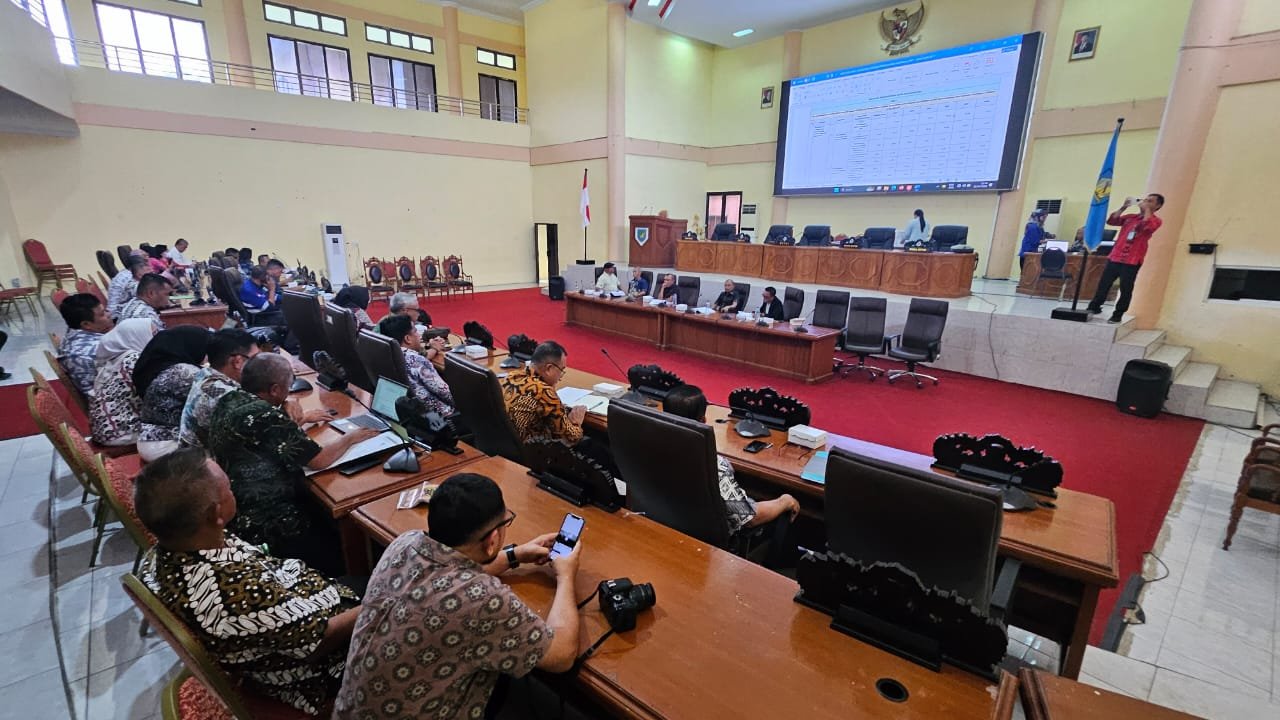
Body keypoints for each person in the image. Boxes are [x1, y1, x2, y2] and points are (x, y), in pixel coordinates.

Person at [333, 472, 583, 719]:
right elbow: (561, 655)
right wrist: (566, 575)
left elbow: (449, 572)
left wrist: (514, 555)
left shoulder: (405, 543)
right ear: (493, 540)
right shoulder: (485, 601)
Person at [135, 448, 361, 716]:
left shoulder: (162, 555)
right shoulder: (232, 591)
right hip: (321, 671)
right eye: (229, 488)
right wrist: (377, 604)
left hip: (302, 604)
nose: (234, 489)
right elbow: (317, 641)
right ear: (215, 513)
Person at [206, 354, 377, 575]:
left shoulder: (230, 399)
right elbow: (319, 460)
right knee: (340, 542)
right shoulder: (264, 414)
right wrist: (351, 437)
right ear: (274, 389)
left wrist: (298, 418)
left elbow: (262, 435)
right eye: (288, 386)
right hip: (270, 520)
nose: (290, 391)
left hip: (239, 506)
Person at [663, 385, 801, 536]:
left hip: (667, 523)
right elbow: (749, 519)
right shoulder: (712, 465)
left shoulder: (651, 445)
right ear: (703, 421)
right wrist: (784, 501)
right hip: (707, 541)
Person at [135, 326, 212, 461]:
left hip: (147, 440)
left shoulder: (159, 366)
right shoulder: (184, 372)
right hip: (167, 446)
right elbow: (219, 396)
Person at [1087, 193, 1165, 324]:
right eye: (1145, 200)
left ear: (1158, 206)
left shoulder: (1156, 221)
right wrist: (1124, 207)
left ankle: (1118, 314)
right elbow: (1112, 221)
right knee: (1104, 284)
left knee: (1125, 288)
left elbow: (1146, 226)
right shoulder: (1131, 218)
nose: (1145, 202)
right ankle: (1094, 307)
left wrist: (1147, 209)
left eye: (1150, 201)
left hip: (1132, 260)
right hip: (1115, 256)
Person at [180, 329, 260, 448]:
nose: (260, 363)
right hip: (204, 458)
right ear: (237, 362)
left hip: (191, 454)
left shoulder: (205, 373)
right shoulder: (226, 394)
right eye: (255, 359)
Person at [501, 341, 585, 446]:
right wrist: (576, 422)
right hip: (530, 451)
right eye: (561, 370)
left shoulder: (511, 376)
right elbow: (571, 437)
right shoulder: (544, 392)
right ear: (549, 368)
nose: (561, 377)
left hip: (505, 444)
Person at [89, 319, 158, 447]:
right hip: (123, 433)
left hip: (106, 430)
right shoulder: (135, 360)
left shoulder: (118, 357)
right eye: (153, 335)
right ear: (136, 336)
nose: (158, 339)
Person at [378, 314, 455, 416]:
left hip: (402, 411)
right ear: (407, 338)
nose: (419, 335)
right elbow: (445, 393)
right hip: (437, 416)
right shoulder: (416, 360)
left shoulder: (385, 355)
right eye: (415, 331)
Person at [57, 293, 115, 396]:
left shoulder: (73, 331)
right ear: (86, 324)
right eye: (102, 314)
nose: (109, 314)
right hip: (106, 397)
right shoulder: (97, 350)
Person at [107, 255, 150, 319]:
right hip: (118, 316)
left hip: (115, 312)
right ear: (139, 267)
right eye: (145, 267)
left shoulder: (124, 273)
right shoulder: (129, 279)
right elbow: (145, 296)